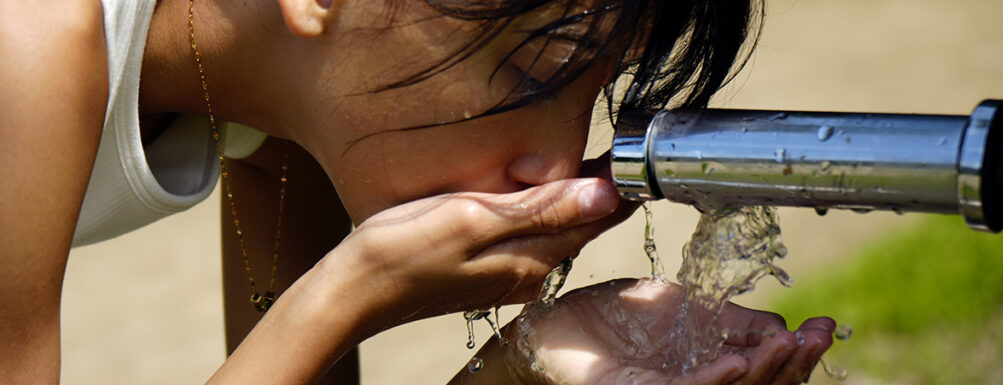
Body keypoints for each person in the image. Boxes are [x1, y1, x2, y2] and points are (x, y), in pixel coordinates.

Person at [0, 0, 834, 383]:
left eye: (592, 95)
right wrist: (342, 293)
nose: (555, 169)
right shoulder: (27, 45)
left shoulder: (286, 112)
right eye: (531, 73)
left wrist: (521, 372)